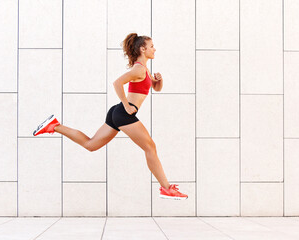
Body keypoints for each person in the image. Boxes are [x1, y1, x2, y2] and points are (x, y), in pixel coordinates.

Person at [33, 33, 188, 200]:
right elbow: (117, 83)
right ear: (143, 49)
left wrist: (159, 80)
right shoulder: (139, 69)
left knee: (90, 144)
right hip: (123, 113)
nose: (154, 49)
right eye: (151, 46)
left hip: (118, 112)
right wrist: (127, 104)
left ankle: (54, 126)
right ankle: (167, 188)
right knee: (150, 147)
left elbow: (156, 88)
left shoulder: (144, 69)